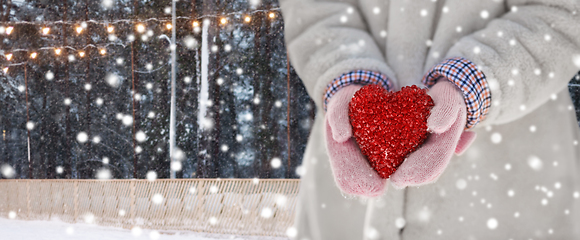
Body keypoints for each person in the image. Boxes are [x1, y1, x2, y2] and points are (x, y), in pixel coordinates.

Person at [279, 0, 580, 239]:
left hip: (506, 184)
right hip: (347, 205)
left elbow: (562, 12)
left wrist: (476, 79)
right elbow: (313, 10)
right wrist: (344, 74)